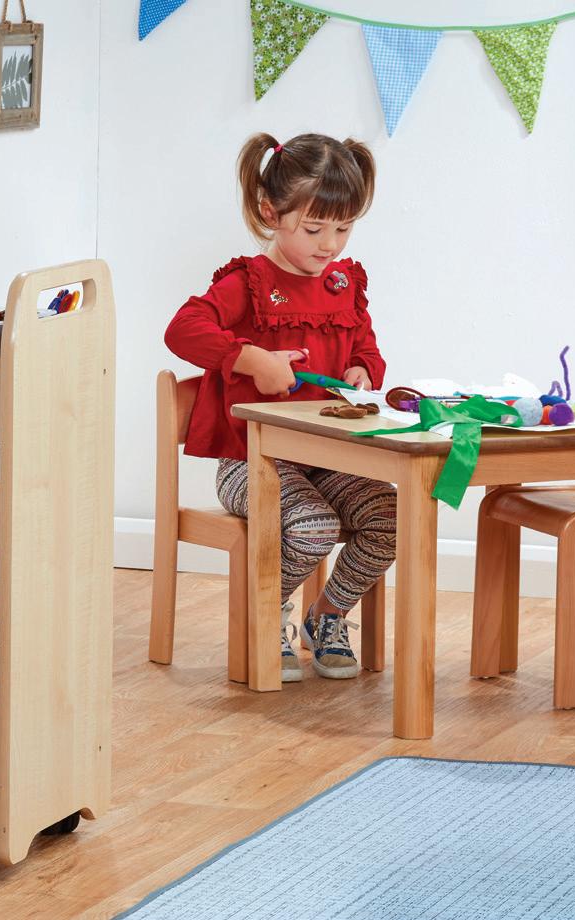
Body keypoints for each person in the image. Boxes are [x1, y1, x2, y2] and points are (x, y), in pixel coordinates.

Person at [164, 132, 396, 682]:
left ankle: (327, 615)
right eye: (314, 229)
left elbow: (366, 348)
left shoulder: (343, 284)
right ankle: (266, 615)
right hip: (250, 463)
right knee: (313, 526)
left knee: (392, 516)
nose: (330, 244)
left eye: (343, 228)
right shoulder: (247, 283)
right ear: (271, 212)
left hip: (326, 460)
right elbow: (182, 330)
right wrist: (250, 359)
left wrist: (363, 371)